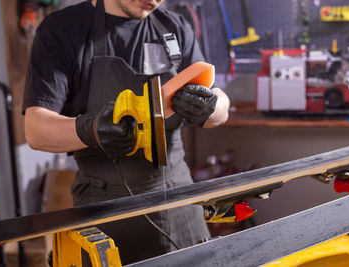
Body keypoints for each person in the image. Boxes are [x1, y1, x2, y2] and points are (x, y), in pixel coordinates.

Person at [23, 0, 230, 264]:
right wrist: (89, 129)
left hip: (177, 199)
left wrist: (211, 106)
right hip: (103, 208)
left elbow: (221, 106)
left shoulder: (174, 27)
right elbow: (35, 129)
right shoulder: (62, 30)